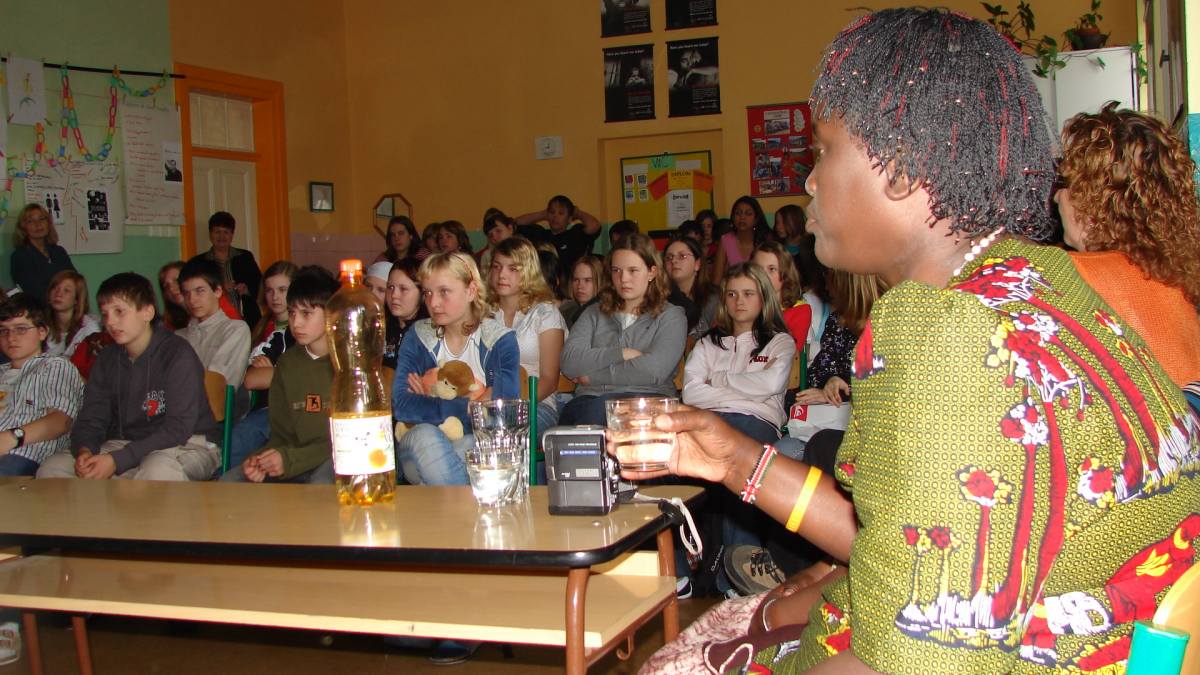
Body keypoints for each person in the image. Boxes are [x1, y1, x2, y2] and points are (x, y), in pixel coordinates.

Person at [636, 9, 1200, 673]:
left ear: (901, 171)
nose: (810, 180)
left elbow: (913, 660)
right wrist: (734, 459)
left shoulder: (946, 335)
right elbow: (918, 537)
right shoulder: (1041, 279)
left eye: (824, 150)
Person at [1057, 102, 1200, 388]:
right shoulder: (1180, 278)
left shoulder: (1068, 278)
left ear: (1091, 203)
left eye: (1067, 183)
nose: (1058, 196)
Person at [38, 272, 220, 481]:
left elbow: (178, 428)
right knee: (53, 467)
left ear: (147, 312)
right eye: (105, 314)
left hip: (187, 443)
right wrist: (85, 450)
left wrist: (118, 460)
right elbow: (92, 417)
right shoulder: (107, 358)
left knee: (157, 471)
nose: (111, 322)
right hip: (126, 445)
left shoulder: (177, 354)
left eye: (119, 312)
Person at [683, 263, 796, 597]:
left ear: (763, 297)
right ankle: (679, 574)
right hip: (710, 422)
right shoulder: (709, 343)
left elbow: (770, 385)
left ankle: (740, 579)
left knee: (738, 463)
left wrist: (718, 380)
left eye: (748, 293)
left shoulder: (779, 342)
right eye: (731, 294)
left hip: (756, 424)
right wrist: (741, 389)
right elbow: (691, 393)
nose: (739, 301)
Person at [392, 252, 520, 485]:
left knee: (466, 446)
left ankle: (449, 507)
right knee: (426, 436)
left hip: (476, 444)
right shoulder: (418, 336)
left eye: (444, 292)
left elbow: (502, 414)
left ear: (471, 291)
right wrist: (469, 405)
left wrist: (428, 402)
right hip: (417, 443)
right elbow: (401, 405)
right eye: (428, 293)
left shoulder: (500, 340)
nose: (433, 303)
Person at [221, 266, 339, 484]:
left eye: (306, 313)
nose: (296, 322)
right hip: (293, 460)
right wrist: (260, 460)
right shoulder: (287, 364)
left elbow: (351, 440)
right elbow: (281, 436)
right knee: (231, 481)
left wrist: (289, 459)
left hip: (335, 459)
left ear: (332, 314)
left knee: (320, 484)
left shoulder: (349, 362)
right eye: (292, 313)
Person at [559, 233, 686, 426]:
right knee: (581, 416)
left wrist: (592, 376)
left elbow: (654, 371)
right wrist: (622, 353)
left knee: (602, 415)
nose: (623, 279)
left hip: (648, 401)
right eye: (616, 270)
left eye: (633, 270)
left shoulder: (671, 316)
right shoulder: (594, 313)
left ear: (652, 272)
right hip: (591, 400)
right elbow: (569, 362)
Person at [487, 237, 568, 428]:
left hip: (536, 405)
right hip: (487, 404)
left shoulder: (545, 313)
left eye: (513, 269)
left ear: (529, 272)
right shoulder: (483, 314)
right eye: (497, 267)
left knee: (504, 429)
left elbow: (549, 381)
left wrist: (510, 408)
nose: (502, 275)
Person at [0, 294, 84, 476]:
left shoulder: (55, 366)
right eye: (4, 330)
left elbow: (61, 421)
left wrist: (12, 437)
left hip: (24, 454)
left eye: (21, 329)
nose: (11, 337)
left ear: (42, 332)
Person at [230, 261, 298, 472]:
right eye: (269, 290)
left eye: (282, 290)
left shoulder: (298, 333)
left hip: (286, 408)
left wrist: (271, 371)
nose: (275, 297)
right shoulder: (261, 327)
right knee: (239, 439)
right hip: (258, 405)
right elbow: (251, 377)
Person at [176, 258, 252, 389]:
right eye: (186, 293)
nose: (192, 300)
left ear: (218, 291)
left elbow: (218, 384)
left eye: (200, 291)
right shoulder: (178, 336)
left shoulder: (235, 330)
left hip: (214, 400)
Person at [188, 211, 262, 328]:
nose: (221, 236)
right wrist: (221, 289)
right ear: (210, 234)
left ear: (232, 235)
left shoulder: (245, 257)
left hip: (248, 321)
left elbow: (260, 286)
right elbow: (194, 293)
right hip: (214, 324)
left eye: (226, 232)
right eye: (217, 232)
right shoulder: (199, 262)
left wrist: (247, 290)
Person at [515, 195, 602, 276]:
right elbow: (515, 224)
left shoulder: (575, 235)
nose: (555, 217)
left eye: (561, 213)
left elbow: (594, 226)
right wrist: (542, 214)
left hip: (571, 281)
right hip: (544, 280)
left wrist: (577, 213)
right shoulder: (540, 234)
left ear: (569, 218)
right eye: (552, 212)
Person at [752, 241, 813, 357]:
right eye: (758, 269)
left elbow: (791, 355)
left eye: (772, 269)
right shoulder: (745, 304)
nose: (763, 276)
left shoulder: (799, 311)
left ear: (785, 274)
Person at [10, 203, 75, 302]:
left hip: (67, 305)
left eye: (42, 219)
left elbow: (75, 281)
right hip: (40, 308)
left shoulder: (59, 251)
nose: (38, 224)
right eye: (30, 221)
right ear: (23, 227)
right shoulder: (20, 256)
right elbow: (33, 291)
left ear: (48, 223)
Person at [664, 235, 717, 337]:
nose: (674, 261)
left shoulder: (714, 298)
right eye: (669, 257)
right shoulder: (660, 298)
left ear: (697, 264)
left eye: (682, 256)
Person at [710, 196, 769, 284]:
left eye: (748, 214)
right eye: (738, 213)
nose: (742, 217)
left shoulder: (764, 241)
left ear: (756, 219)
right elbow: (717, 280)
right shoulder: (725, 240)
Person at [383, 258, 428, 371]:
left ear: (422, 293)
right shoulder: (383, 328)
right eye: (390, 287)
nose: (394, 295)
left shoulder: (429, 335)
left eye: (403, 289)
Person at [45, 271, 100, 359]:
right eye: (55, 288)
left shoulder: (89, 329)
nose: (58, 294)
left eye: (66, 290)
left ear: (76, 300)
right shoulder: (41, 325)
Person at [558, 254, 604, 328]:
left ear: (599, 281)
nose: (580, 286)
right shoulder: (565, 313)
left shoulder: (604, 316)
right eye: (576, 280)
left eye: (587, 280)